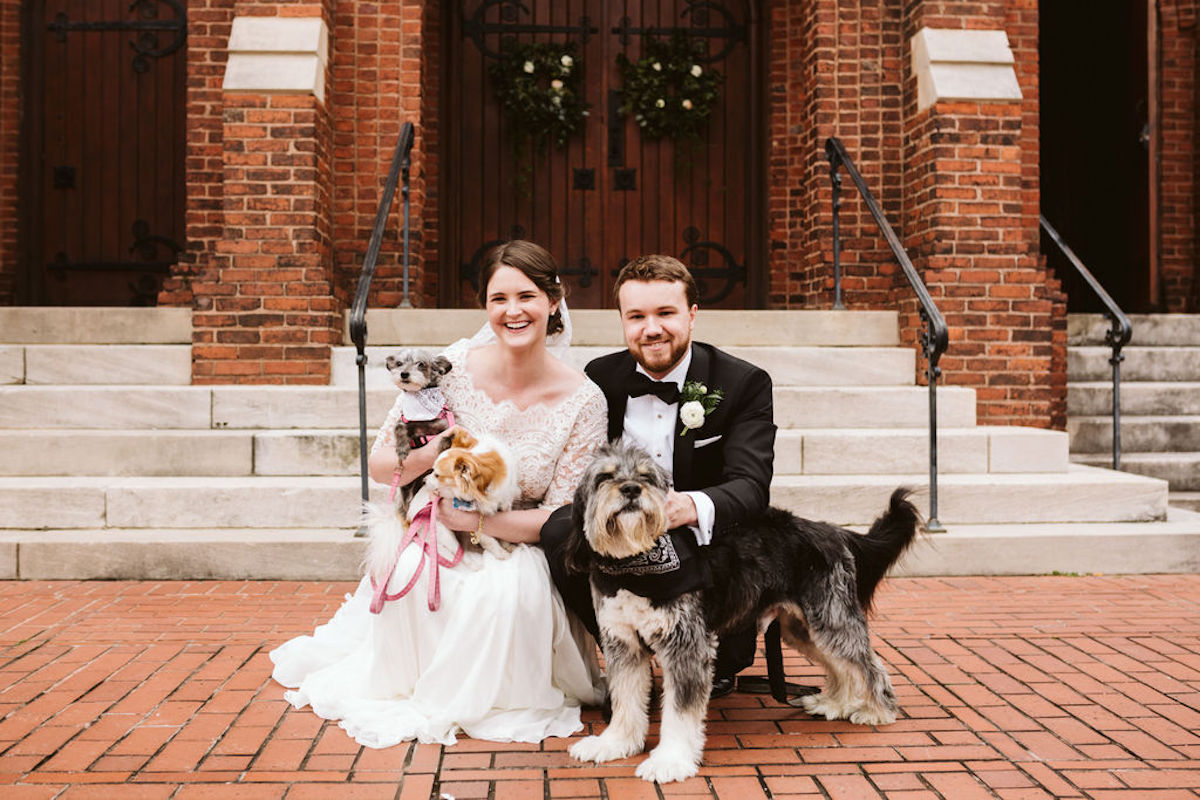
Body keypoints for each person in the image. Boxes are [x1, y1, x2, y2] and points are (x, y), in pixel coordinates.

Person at [270, 240, 607, 747]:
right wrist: (435, 456)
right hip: (434, 528)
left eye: (527, 296)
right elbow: (382, 463)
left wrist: (474, 523)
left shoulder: (584, 399)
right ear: (485, 307)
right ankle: (414, 686)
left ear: (554, 301)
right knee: (405, 570)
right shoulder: (449, 369)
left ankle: (492, 695)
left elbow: (560, 515)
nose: (513, 311)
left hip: (515, 539)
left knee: (506, 593)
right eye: (498, 299)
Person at [541, 254, 777, 699]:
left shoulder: (743, 382)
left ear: (691, 314)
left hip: (700, 542)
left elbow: (750, 485)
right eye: (637, 316)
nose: (652, 329)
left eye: (665, 313)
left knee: (730, 539)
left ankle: (709, 653)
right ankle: (625, 653)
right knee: (558, 530)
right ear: (623, 321)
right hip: (623, 538)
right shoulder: (600, 377)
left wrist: (685, 507)